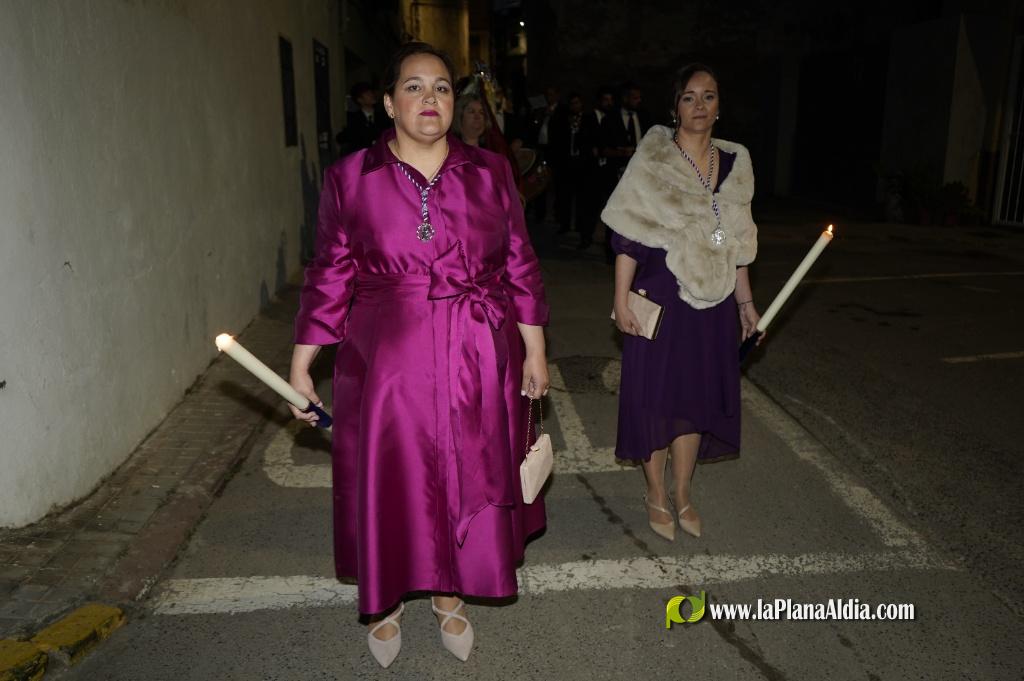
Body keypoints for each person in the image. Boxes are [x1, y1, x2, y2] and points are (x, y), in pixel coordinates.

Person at [289, 42, 550, 668]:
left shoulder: (490, 171)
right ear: (387, 102)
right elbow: (330, 272)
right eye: (413, 87)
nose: (428, 99)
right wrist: (302, 362)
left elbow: (519, 262)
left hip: (477, 348)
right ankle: (385, 601)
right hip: (385, 358)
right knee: (396, 475)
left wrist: (535, 351)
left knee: (467, 470)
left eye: (439, 88)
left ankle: (447, 592)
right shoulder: (350, 178)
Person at [601, 64, 761, 544]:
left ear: (719, 107)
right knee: (658, 398)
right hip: (660, 294)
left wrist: (745, 303)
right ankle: (654, 492)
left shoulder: (735, 163)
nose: (698, 106)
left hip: (711, 303)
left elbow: (738, 243)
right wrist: (621, 298)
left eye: (708, 97)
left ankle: (684, 491)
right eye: (689, 97)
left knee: (694, 398)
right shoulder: (653, 160)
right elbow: (627, 235)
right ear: (675, 107)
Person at [598, 82, 652, 261]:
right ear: (625, 98)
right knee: (615, 211)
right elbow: (601, 147)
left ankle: (635, 251)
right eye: (634, 97)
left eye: (639, 98)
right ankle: (611, 252)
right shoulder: (610, 118)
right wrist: (620, 152)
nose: (638, 101)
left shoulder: (644, 117)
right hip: (615, 172)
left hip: (639, 173)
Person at [548, 93, 599, 247]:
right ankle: (565, 223)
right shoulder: (563, 118)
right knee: (565, 196)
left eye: (577, 103)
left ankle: (584, 232)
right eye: (572, 103)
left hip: (583, 164)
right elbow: (556, 137)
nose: (575, 106)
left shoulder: (589, 119)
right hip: (567, 163)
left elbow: (593, 137)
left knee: (584, 201)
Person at [337, 82, 388, 155]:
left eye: (371, 93)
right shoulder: (354, 119)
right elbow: (343, 137)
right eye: (367, 94)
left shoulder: (383, 116)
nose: (372, 95)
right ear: (360, 100)